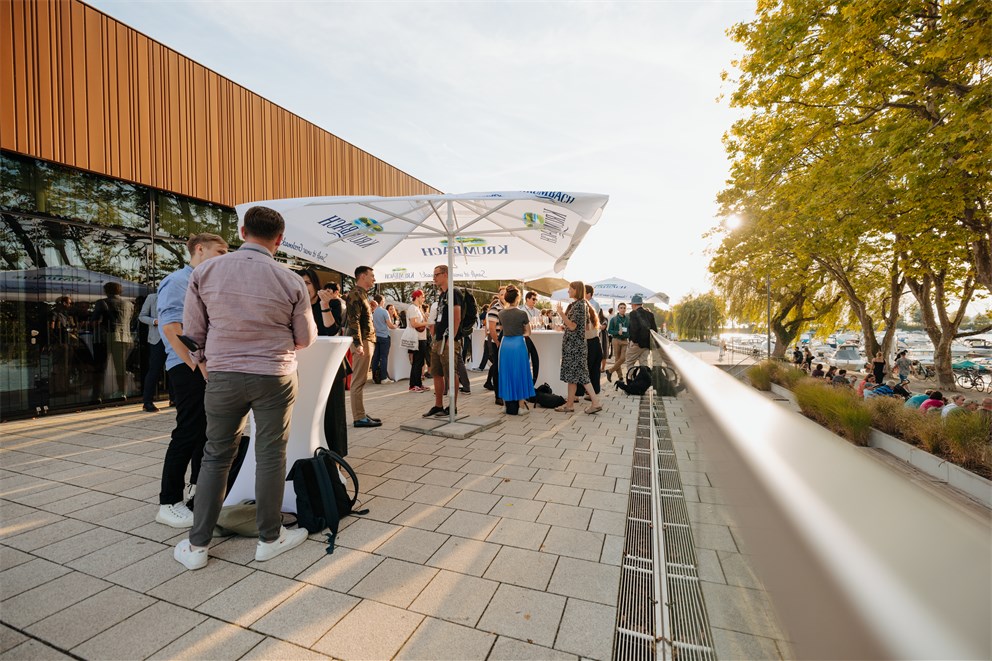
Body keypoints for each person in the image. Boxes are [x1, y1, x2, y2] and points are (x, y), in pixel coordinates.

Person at [172, 206, 317, 570]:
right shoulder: (290, 280)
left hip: (223, 375)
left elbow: (192, 333)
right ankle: (270, 538)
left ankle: (197, 545)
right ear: (279, 239)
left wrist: (207, 364)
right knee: (271, 454)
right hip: (275, 375)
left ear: (241, 232)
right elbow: (305, 338)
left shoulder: (204, 272)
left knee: (216, 454)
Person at [155, 232, 228, 528]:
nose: (225, 257)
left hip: (205, 365)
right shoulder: (178, 281)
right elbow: (172, 328)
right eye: (220, 251)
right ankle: (168, 502)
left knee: (206, 430)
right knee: (188, 431)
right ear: (200, 249)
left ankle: (197, 489)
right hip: (188, 367)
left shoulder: (206, 283)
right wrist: (198, 366)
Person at [299, 268, 348, 456]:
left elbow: (332, 332)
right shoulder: (295, 306)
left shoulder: (332, 303)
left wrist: (324, 304)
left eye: (308, 283)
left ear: (316, 284)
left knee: (333, 415)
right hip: (305, 368)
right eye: (301, 283)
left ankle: (336, 457)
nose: (305, 287)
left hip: (330, 367)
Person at [555, 281, 602, 414]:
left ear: (576, 290)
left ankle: (595, 402)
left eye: (570, 289)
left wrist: (561, 314)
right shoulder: (582, 305)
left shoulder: (579, 306)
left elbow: (573, 326)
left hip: (574, 347)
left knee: (581, 376)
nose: (568, 291)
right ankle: (569, 405)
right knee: (574, 377)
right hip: (576, 346)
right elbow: (583, 326)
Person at [423, 264, 462, 418]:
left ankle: (453, 406)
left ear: (445, 274)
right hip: (438, 339)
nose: (434, 278)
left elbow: (457, 317)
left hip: (448, 340)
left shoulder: (454, 292)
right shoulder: (442, 295)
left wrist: (451, 338)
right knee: (436, 372)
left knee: (450, 373)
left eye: (436, 274)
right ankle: (438, 405)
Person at [346, 266, 381, 427]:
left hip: (367, 340)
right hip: (363, 341)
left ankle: (360, 413)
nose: (374, 278)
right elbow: (353, 321)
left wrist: (371, 309)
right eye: (371, 275)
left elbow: (361, 319)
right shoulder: (355, 294)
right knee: (358, 381)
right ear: (362, 276)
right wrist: (358, 343)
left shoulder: (362, 295)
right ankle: (359, 417)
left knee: (360, 380)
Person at [90, 281, 134, 400]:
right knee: (121, 367)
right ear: (120, 291)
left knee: (100, 366)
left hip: (105, 337)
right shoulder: (129, 304)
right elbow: (129, 321)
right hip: (125, 337)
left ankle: (97, 395)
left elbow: (94, 321)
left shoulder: (102, 302)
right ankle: (122, 392)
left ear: (106, 291)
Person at [497, 286, 535, 415]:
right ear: (518, 298)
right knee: (520, 373)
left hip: (505, 344)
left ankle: (505, 405)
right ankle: (520, 406)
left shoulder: (501, 313)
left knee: (505, 373)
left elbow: (503, 329)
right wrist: (520, 333)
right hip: (518, 344)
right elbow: (528, 332)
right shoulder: (522, 313)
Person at [138, 291, 166, 412]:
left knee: (174, 368)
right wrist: (154, 321)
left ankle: (174, 399)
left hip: (174, 337)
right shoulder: (152, 297)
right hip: (157, 338)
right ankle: (147, 401)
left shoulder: (179, 295)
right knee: (154, 369)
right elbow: (142, 316)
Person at [576, 286, 603, 399]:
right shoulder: (593, 309)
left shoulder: (586, 307)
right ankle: (594, 393)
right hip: (596, 341)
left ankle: (578, 394)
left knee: (583, 369)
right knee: (594, 369)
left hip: (589, 342)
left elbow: (583, 327)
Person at [625, 294, 657, 373]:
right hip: (647, 344)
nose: (631, 306)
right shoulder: (650, 314)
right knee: (644, 364)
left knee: (629, 362)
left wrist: (633, 341)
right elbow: (655, 330)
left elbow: (634, 329)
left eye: (632, 305)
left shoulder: (633, 313)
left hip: (636, 344)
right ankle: (644, 382)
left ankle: (632, 380)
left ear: (634, 304)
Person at [485, 286, 506, 405]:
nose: (503, 296)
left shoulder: (508, 308)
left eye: (505, 294)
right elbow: (491, 329)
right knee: (497, 369)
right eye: (501, 294)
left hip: (506, 343)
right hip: (497, 343)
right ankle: (498, 396)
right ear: (498, 296)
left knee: (503, 368)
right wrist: (498, 342)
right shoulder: (495, 309)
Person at [407, 290, 430, 393]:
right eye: (423, 297)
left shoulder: (418, 308)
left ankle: (418, 384)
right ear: (417, 297)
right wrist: (426, 322)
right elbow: (414, 324)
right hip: (417, 338)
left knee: (420, 362)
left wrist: (425, 317)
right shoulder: (413, 308)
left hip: (421, 338)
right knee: (417, 362)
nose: (424, 299)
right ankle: (414, 385)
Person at [371, 293, 397, 384]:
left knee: (376, 357)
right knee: (384, 357)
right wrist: (396, 325)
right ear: (381, 301)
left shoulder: (373, 312)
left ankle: (375, 377)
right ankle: (383, 378)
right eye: (384, 300)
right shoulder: (384, 311)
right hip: (384, 336)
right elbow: (390, 325)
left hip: (377, 336)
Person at [606, 302, 629, 383]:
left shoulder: (628, 319)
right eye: (621, 308)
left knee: (623, 358)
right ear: (618, 309)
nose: (623, 309)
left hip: (625, 341)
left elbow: (629, 329)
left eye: (624, 308)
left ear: (625, 309)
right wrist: (616, 332)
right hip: (616, 340)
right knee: (617, 359)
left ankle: (610, 371)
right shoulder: (614, 319)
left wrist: (628, 334)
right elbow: (609, 330)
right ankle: (620, 377)